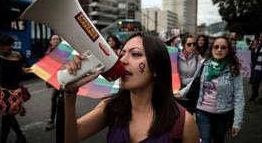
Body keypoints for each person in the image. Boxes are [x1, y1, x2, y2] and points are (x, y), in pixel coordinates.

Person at [63, 33, 199, 143]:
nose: (122, 61)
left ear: (156, 68)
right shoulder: (110, 107)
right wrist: (70, 92)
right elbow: (71, 137)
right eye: (121, 54)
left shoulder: (183, 122)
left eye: (135, 54)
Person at [176, 36, 245, 143]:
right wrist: (180, 93)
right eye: (216, 47)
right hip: (203, 112)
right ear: (211, 48)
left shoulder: (233, 69)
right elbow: (194, 81)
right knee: (205, 140)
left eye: (223, 47)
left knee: (218, 140)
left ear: (228, 50)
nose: (219, 50)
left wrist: (237, 123)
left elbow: (239, 97)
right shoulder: (204, 63)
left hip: (223, 114)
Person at [0, 32, 31, 143]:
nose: (10, 47)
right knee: (7, 117)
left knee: (7, 118)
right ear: (0, 46)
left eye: (11, 44)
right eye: (8, 45)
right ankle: (18, 137)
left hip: (15, 93)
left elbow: (23, 68)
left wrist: (25, 70)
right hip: (3, 93)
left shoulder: (18, 55)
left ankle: (19, 136)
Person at [177, 34, 200, 113]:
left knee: (190, 117)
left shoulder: (198, 57)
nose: (192, 46)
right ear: (183, 45)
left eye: (194, 44)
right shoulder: (175, 56)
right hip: (177, 91)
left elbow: (197, 77)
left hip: (191, 92)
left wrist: (187, 82)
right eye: (189, 44)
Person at [45, 34, 62, 130]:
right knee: (54, 99)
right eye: (54, 39)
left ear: (60, 41)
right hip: (56, 80)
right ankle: (52, 119)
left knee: (60, 100)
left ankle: (55, 120)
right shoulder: (49, 52)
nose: (56, 40)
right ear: (51, 41)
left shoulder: (65, 51)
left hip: (65, 79)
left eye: (57, 39)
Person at [249, 32, 262, 105]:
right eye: (259, 36)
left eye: (261, 36)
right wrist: (253, 63)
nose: (259, 38)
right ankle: (254, 97)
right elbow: (256, 55)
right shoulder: (260, 45)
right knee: (254, 84)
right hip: (257, 69)